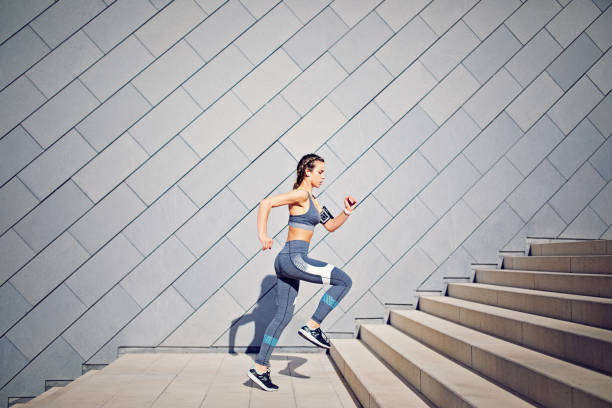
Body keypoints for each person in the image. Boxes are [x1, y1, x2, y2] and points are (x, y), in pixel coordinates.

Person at [247, 153, 357, 391]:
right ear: (307, 171)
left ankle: (260, 369)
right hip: (293, 258)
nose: (324, 176)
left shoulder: (315, 200)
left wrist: (346, 212)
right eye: (320, 171)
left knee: (283, 316)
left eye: (324, 172)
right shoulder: (299, 193)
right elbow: (265, 203)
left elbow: (330, 226)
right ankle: (313, 325)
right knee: (344, 281)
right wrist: (263, 235)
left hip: (288, 261)